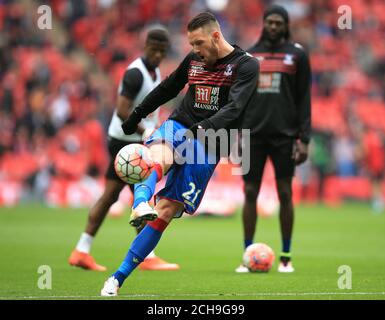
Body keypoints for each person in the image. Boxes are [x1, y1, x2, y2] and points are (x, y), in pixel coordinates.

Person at [100, 12, 260, 296]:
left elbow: (234, 109)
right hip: (181, 124)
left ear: (215, 36)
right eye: (191, 44)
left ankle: (118, 277)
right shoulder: (194, 60)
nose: (194, 50)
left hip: (212, 141)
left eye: (198, 43)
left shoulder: (245, 65)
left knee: (167, 211)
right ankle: (139, 202)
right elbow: (168, 87)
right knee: (157, 156)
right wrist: (138, 112)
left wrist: (198, 131)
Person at [68, 28, 179, 272]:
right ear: (145, 45)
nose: (158, 54)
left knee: (111, 196)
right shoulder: (135, 74)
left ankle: (81, 250)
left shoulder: (154, 71)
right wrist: (144, 132)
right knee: (141, 198)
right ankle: (146, 256)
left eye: (162, 51)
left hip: (129, 139)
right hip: (126, 141)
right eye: (154, 49)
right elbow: (121, 110)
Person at [237, 5, 311, 273]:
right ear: (263, 23)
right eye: (269, 22)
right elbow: (239, 98)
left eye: (278, 23)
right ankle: (247, 254)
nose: (273, 27)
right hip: (252, 134)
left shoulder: (297, 55)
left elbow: (304, 98)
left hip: (285, 135)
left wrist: (305, 138)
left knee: (285, 193)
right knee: (249, 192)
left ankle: (286, 256)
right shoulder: (249, 55)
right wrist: (237, 134)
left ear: (286, 25)